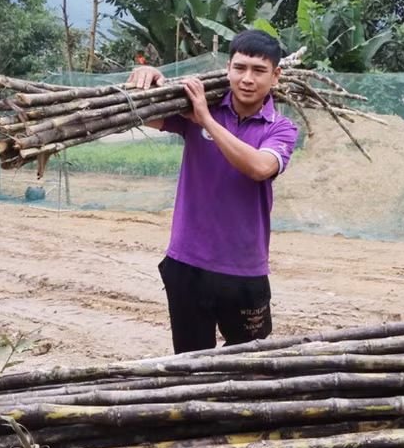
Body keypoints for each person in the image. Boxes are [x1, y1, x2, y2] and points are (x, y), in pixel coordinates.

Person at [126, 30, 299, 354]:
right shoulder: (197, 109)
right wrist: (147, 81)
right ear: (228, 68)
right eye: (240, 68)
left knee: (250, 362)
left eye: (259, 71)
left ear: (275, 76)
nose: (247, 79)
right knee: (191, 362)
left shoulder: (281, 128)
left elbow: (260, 167)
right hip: (187, 262)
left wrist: (205, 119)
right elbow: (140, 114)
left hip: (245, 267)